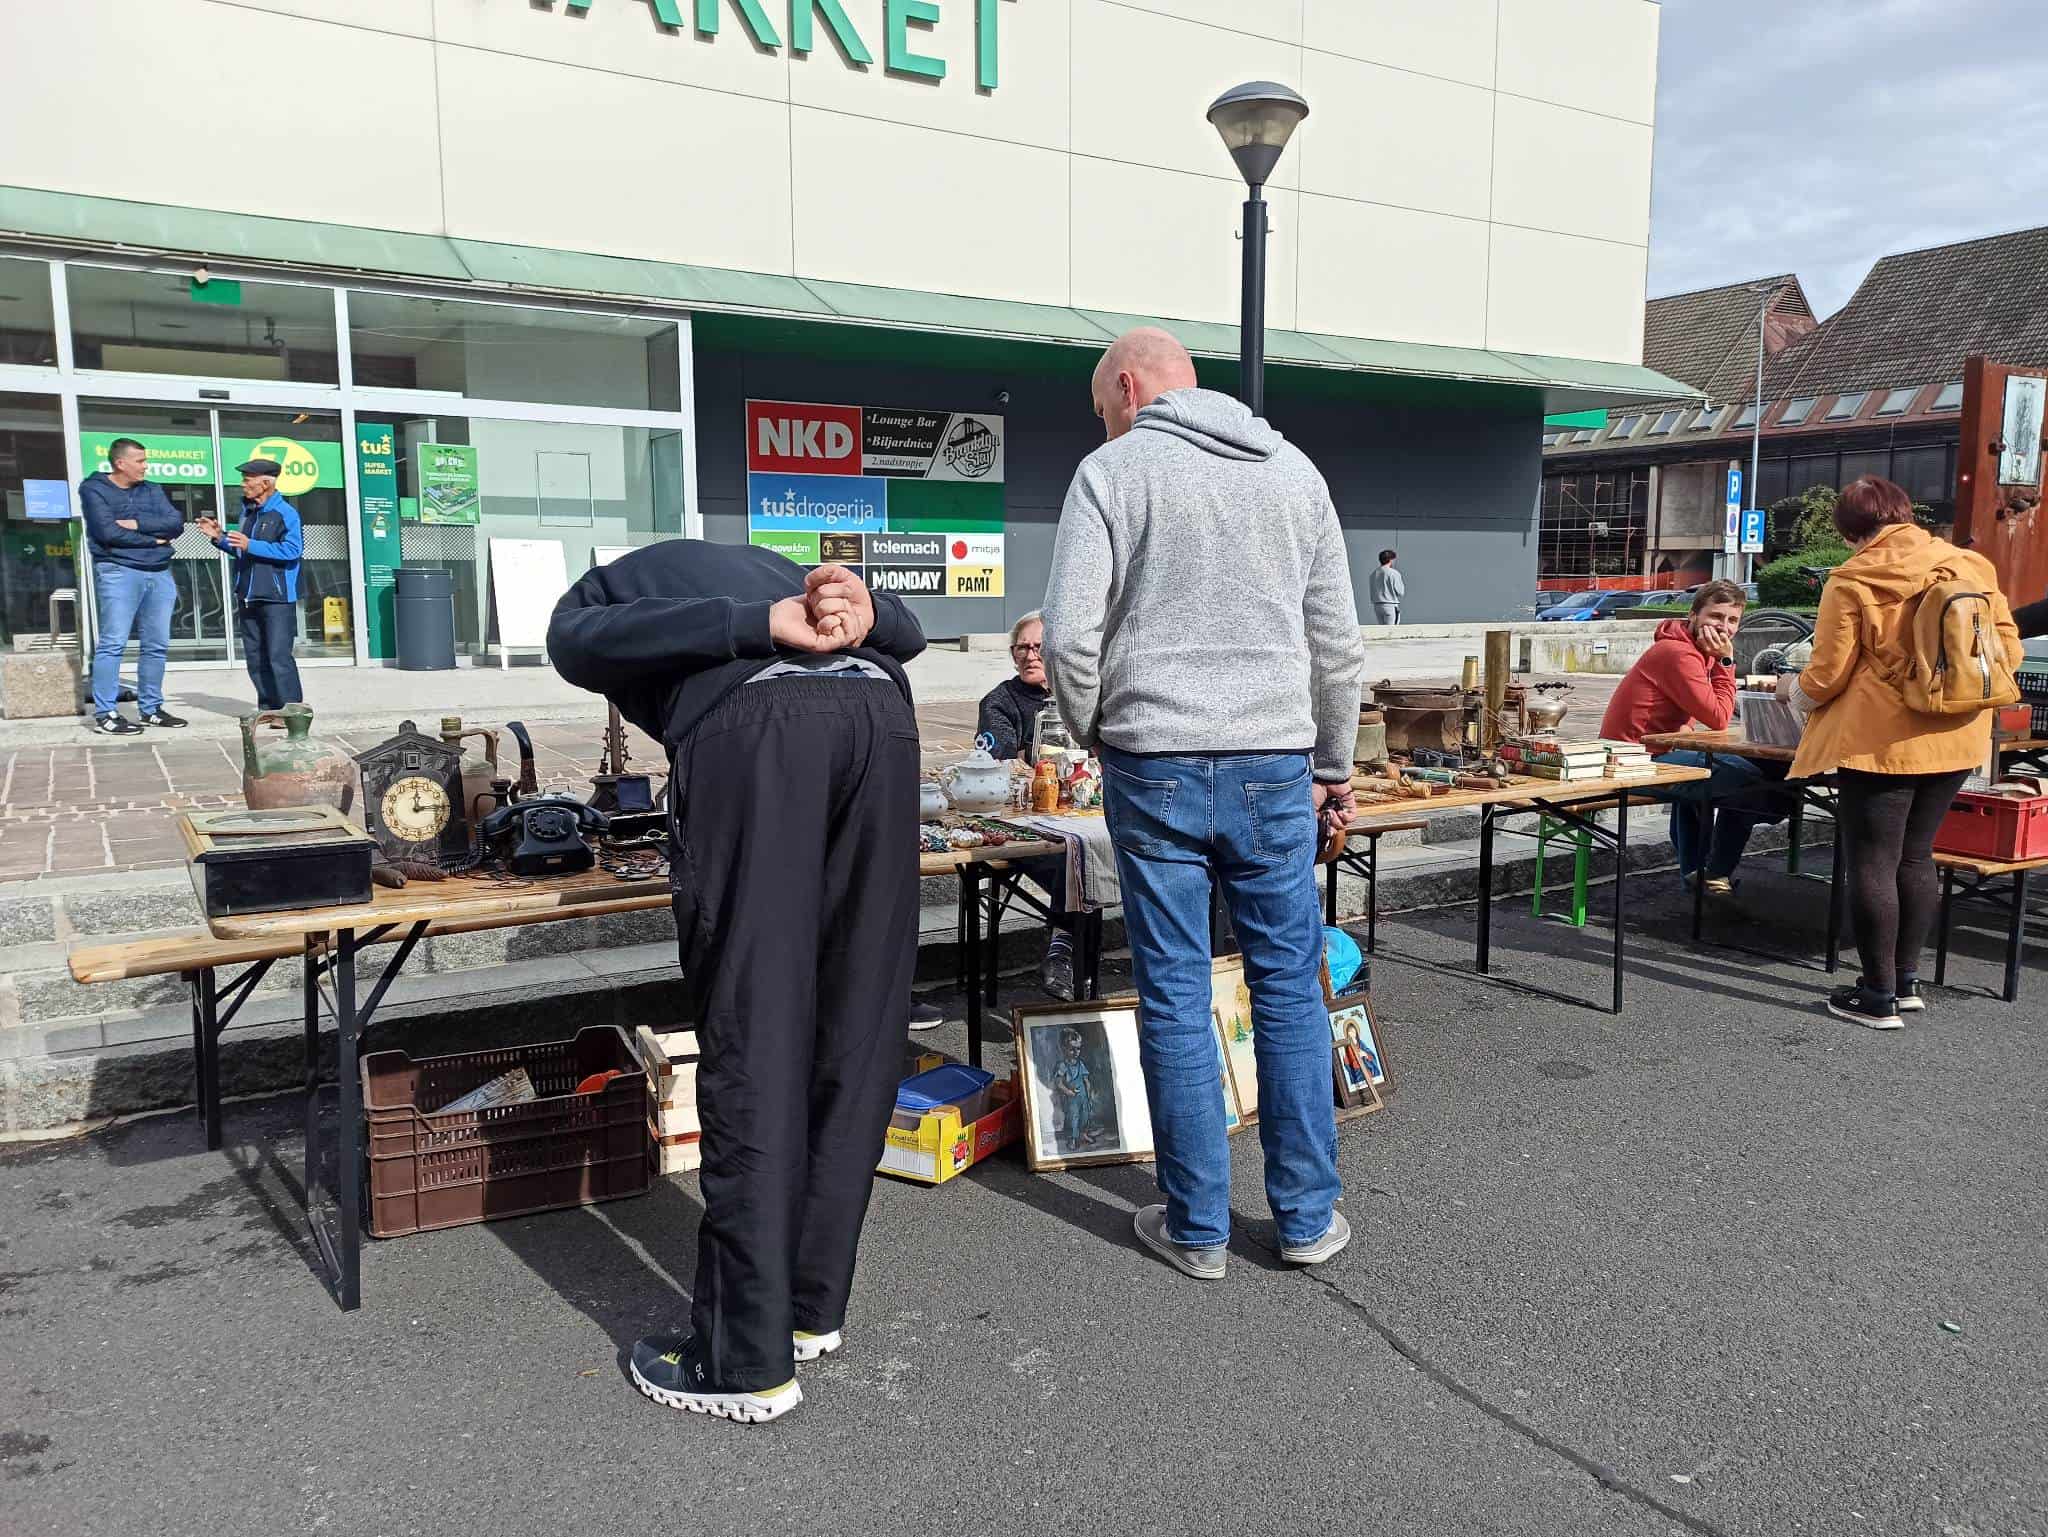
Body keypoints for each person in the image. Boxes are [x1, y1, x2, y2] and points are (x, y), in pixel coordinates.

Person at [548, 550, 926, 1425]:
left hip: (760, 731)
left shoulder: (627, 585)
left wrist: (749, 630)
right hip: (881, 715)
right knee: (859, 1025)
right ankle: (809, 1308)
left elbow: (571, 639)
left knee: (757, 1032)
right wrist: (867, 614)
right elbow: (905, 633)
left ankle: (742, 1360)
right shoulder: (792, 575)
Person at [1042, 326, 1366, 1280]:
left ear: (1128, 388)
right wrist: (1333, 762)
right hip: (1275, 762)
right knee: (1289, 985)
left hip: (1155, 759)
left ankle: (1196, 1229)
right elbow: (1338, 647)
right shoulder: (1295, 472)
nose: (1104, 425)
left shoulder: (1112, 473)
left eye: (1102, 409)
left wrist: (1099, 729)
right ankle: (1306, 1218)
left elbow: (1067, 639)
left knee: (1175, 990)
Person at [1776, 476, 2019, 1029]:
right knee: (1917, 856)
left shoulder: (1852, 579)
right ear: (1906, 515)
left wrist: (1792, 692)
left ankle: (1876, 995)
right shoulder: (1969, 565)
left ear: (1850, 532)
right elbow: (2007, 648)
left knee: (1872, 862)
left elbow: (1827, 675)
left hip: (1880, 742)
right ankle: (1906, 982)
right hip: (1959, 732)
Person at [1599, 579, 1785, 894]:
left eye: (1732, 620)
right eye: (1716, 616)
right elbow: (1718, 718)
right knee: (1750, 781)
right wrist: (1727, 662)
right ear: (1693, 615)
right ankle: (1713, 876)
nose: (1724, 627)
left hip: (1650, 753)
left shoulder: (1691, 648)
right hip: (1632, 762)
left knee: (1754, 774)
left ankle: (1698, 874)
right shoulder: (1678, 653)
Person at [974, 610, 1077, 999]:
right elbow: (1002, 758)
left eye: (1039, 647)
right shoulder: (1000, 702)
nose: (1031, 655)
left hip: (1082, 815)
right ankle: (1063, 950)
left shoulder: (1076, 694)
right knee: (1073, 859)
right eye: (1022, 648)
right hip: (1024, 824)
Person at [79, 438, 186, 734]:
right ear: (120, 463)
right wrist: (154, 539)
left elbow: (175, 523)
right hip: (119, 571)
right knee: (113, 643)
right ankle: (106, 713)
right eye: (139, 461)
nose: (145, 466)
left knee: (157, 645)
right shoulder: (94, 489)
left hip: (160, 572)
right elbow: (107, 532)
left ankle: (151, 709)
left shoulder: (151, 489)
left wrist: (136, 524)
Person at [198, 459, 303, 712]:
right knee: (255, 658)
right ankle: (268, 709)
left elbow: (293, 550)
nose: (243, 484)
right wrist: (220, 538)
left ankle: (292, 713)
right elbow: (241, 550)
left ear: (265, 483)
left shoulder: (286, 513)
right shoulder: (248, 512)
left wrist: (250, 544)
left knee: (278, 657)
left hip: (277, 597)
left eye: (248, 480)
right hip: (247, 594)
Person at [1367, 549, 1404, 626]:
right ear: (1391, 560)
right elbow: (1400, 592)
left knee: (1382, 630)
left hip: (1377, 606)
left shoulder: (1373, 573)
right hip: (1390, 605)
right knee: (1392, 629)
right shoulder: (1394, 573)